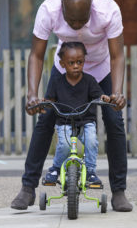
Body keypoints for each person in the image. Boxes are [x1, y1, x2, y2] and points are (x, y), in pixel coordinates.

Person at [11, 0, 132, 212]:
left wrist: (116, 92)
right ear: (62, 8)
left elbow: (118, 55)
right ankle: (27, 189)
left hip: (102, 69)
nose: (76, 25)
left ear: (91, 9)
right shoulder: (48, 9)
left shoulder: (108, 10)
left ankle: (119, 192)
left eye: (82, 20)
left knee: (114, 121)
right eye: (71, 20)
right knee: (45, 119)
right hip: (66, 69)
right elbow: (36, 55)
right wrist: (31, 94)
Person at [44, 41, 109, 185]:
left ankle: (91, 172)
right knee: (65, 145)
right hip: (65, 121)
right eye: (71, 62)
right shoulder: (57, 82)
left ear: (84, 62)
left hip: (86, 121)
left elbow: (98, 95)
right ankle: (54, 169)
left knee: (92, 141)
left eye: (79, 62)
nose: (75, 66)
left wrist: (103, 97)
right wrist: (45, 104)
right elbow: (50, 99)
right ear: (62, 64)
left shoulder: (89, 81)